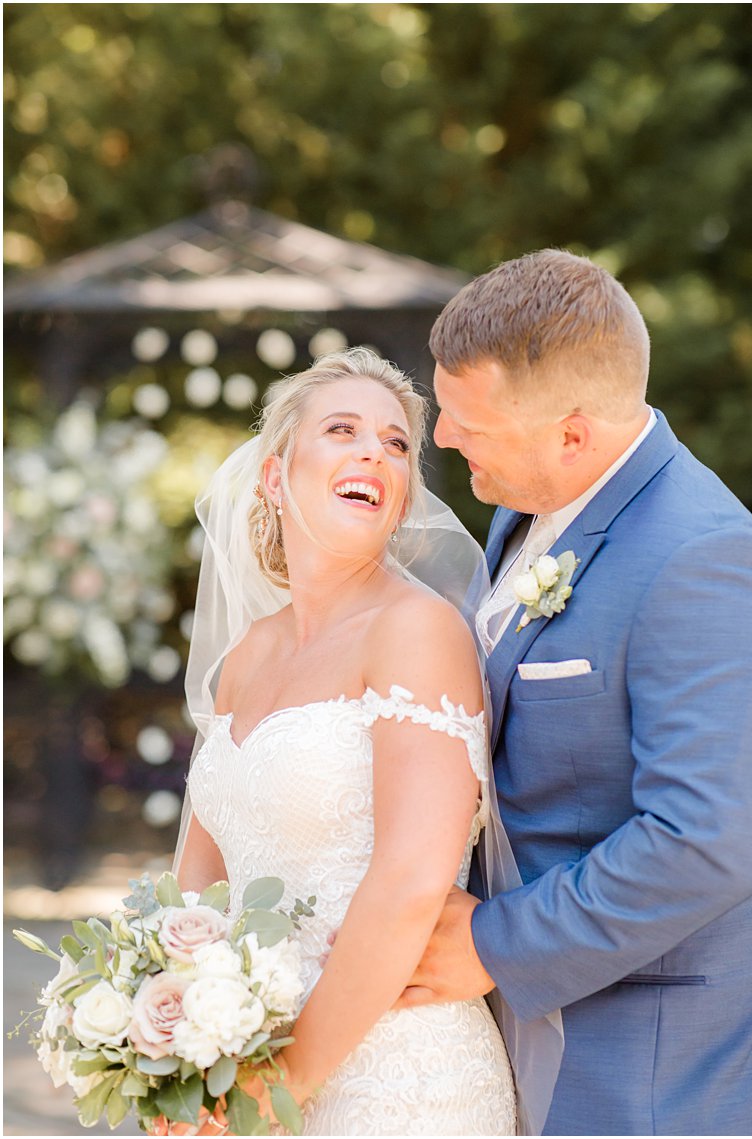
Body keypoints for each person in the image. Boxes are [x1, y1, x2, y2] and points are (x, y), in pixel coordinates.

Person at [401, 249, 752, 1136]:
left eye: (467, 422)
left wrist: (494, 942)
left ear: (572, 434)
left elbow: (708, 837)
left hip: (638, 1062)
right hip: (509, 1039)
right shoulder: (524, 502)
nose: (442, 439)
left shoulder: (702, 556)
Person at [171, 347, 560, 1134]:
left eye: (394, 443)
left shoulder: (417, 630)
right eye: (342, 429)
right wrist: (179, 1052)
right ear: (276, 477)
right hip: (249, 1070)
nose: (372, 452)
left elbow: (411, 878)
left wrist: (281, 1085)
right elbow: (202, 884)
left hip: (397, 1077)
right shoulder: (244, 658)